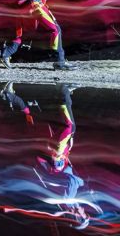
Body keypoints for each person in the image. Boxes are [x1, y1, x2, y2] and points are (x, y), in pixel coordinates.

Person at [35, 84, 90, 230]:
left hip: (57, 160)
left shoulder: (69, 201)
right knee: (72, 128)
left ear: (76, 216)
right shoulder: (73, 202)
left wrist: (82, 183)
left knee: (69, 127)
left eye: (85, 215)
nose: (85, 212)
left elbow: (71, 180)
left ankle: (63, 91)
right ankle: (66, 95)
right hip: (61, 160)